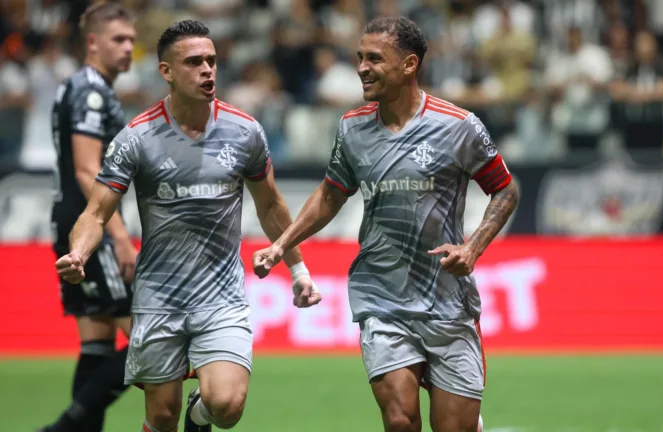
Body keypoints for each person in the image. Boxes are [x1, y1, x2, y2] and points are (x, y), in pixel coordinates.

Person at [253, 16, 518, 432]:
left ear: (409, 65)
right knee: (399, 420)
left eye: (374, 59)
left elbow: (505, 190)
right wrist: (281, 244)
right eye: (360, 57)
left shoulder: (457, 126)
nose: (362, 68)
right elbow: (330, 195)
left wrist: (472, 248)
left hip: (448, 301)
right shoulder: (352, 127)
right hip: (381, 296)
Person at [55, 20, 322, 432]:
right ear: (166, 71)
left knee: (227, 406)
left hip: (222, 297)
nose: (207, 70)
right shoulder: (136, 137)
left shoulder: (244, 131)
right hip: (158, 298)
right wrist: (79, 253)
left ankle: (200, 415)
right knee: (162, 417)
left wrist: (299, 270)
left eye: (211, 61)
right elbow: (95, 213)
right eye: (194, 62)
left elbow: (270, 204)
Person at [41, 3, 137, 431]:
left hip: (68, 223)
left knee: (97, 344)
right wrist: (119, 236)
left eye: (131, 40)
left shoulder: (75, 86)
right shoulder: (92, 92)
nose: (128, 47)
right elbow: (87, 169)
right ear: (93, 42)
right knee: (151, 341)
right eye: (119, 39)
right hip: (90, 230)